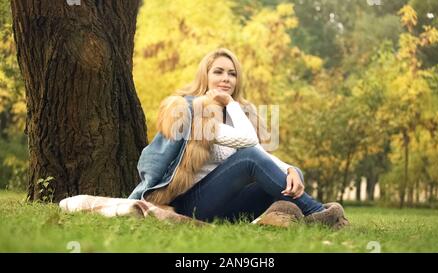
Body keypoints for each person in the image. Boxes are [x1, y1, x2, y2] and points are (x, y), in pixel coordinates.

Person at [128, 48, 349, 229]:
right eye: (218, 72)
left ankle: (285, 217)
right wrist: (231, 103)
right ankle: (320, 214)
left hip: (225, 207)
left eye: (232, 74)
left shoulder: (240, 113)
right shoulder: (190, 109)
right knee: (250, 159)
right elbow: (248, 146)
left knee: (292, 174)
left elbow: (259, 154)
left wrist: (290, 169)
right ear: (205, 75)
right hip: (189, 204)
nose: (226, 79)